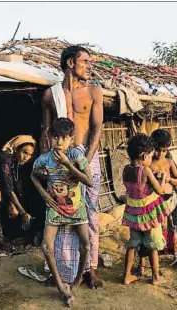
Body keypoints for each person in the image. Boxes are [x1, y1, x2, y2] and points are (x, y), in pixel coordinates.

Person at [40, 45, 104, 288]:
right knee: (60, 212)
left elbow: (97, 129)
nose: (90, 66)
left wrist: (83, 162)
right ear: (69, 63)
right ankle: (61, 269)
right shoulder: (50, 95)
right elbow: (46, 131)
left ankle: (90, 269)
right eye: (85, 61)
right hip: (58, 162)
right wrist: (46, 163)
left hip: (87, 158)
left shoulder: (94, 92)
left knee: (89, 213)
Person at [32, 118, 93, 305]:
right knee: (45, 246)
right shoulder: (44, 159)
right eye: (56, 137)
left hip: (76, 208)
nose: (59, 142)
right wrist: (44, 195)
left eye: (64, 138)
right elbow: (33, 175)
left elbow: (89, 181)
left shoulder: (76, 155)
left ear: (72, 139)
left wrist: (67, 164)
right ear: (49, 138)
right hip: (55, 209)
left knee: (86, 245)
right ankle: (60, 285)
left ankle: (76, 281)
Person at [122, 134, 171, 285]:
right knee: (152, 246)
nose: (151, 159)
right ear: (144, 156)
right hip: (148, 214)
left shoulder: (126, 169)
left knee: (132, 244)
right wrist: (162, 178)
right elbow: (160, 191)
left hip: (132, 213)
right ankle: (156, 276)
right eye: (150, 155)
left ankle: (127, 276)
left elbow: (136, 188)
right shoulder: (146, 171)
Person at [138, 129, 177, 274]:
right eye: (158, 150)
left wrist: (169, 179)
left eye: (164, 150)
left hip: (170, 202)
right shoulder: (148, 165)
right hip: (154, 204)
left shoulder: (169, 163)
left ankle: (175, 255)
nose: (161, 154)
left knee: (172, 229)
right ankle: (142, 264)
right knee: (150, 233)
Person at [0, 135, 36, 247]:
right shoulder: (7, 160)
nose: (26, 157)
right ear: (16, 149)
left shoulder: (16, 161)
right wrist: (23, 213)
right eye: (24, 152)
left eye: (29, 154)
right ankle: (1, 238)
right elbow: (9, 190)